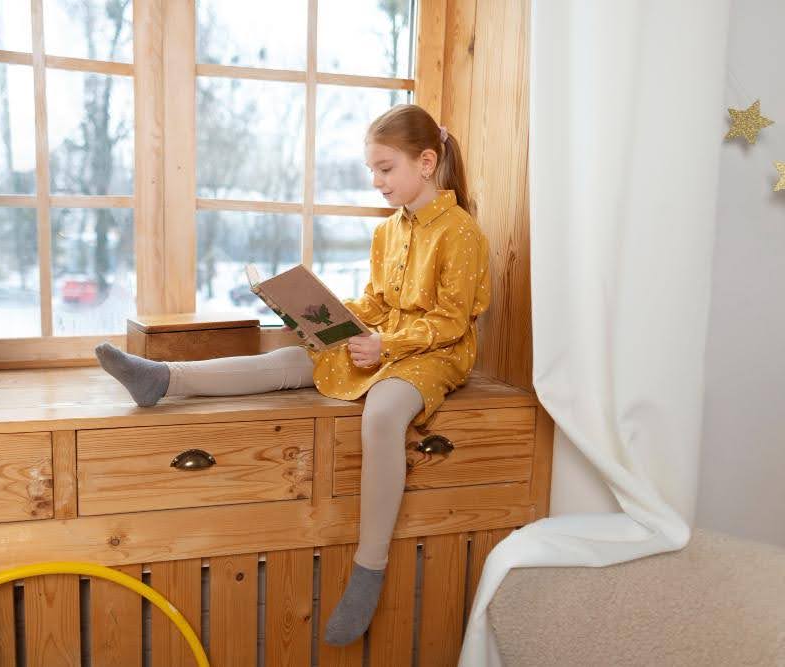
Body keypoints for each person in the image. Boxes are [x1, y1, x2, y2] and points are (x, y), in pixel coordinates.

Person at [94, 103, 491, 646]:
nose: (376, 181)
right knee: (286, 361)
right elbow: (376, 301)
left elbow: (450, 320)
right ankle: (163, 379)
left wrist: (387, 344)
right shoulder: (388, 234)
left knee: (383, 414)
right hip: (381, 340)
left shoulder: (461, 232)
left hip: (434, 353)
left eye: (385, 168)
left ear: (426, 162)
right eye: (371, 170)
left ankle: (369, 567)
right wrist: (317, 313)